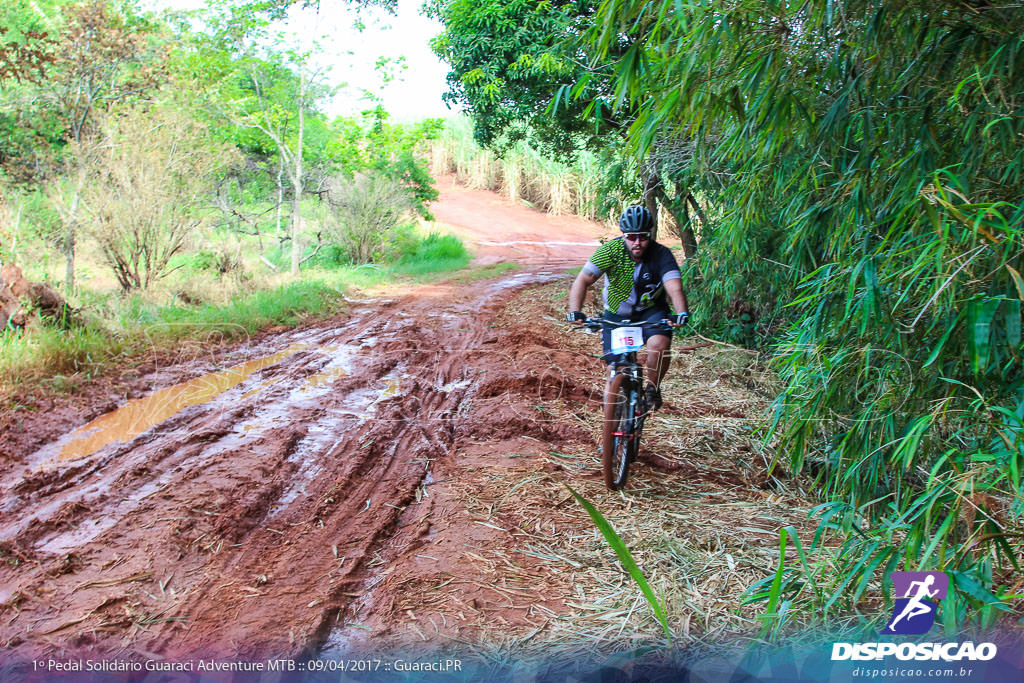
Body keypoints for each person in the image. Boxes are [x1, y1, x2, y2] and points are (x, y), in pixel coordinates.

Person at [567, 205, 689, 411]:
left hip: (651, 312)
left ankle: (652, 388)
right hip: (616, 314)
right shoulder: (610, 251)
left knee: (659, 345)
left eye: (642, 237)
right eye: (631, 237)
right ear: (623, 235)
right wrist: (575, 311)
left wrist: (681, 313)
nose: (637, 243)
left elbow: (674, 287)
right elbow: (582, 280)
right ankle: (608, 439)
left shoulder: (662, 254)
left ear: (650, 235)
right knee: (613, 372)